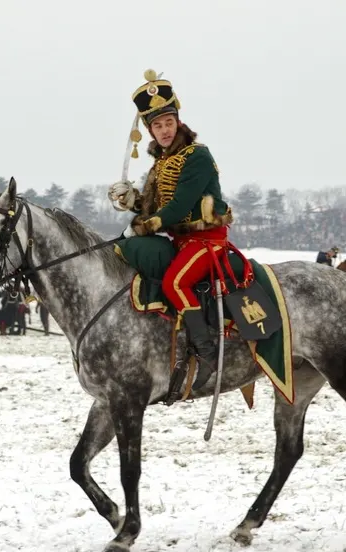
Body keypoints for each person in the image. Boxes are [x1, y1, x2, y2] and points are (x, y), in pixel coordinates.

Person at [108, 68, 234, 391]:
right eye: (156, 126)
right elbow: (151, 206)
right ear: (150, 130)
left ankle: (208, 354)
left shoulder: (198, 156)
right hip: (180, 241)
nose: (163, 131)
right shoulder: (161, 161)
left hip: (206, 242)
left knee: (174, 282)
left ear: (178, 121)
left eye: (168, 123)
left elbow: (176, 208)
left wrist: (143, 226)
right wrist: (130, 200)